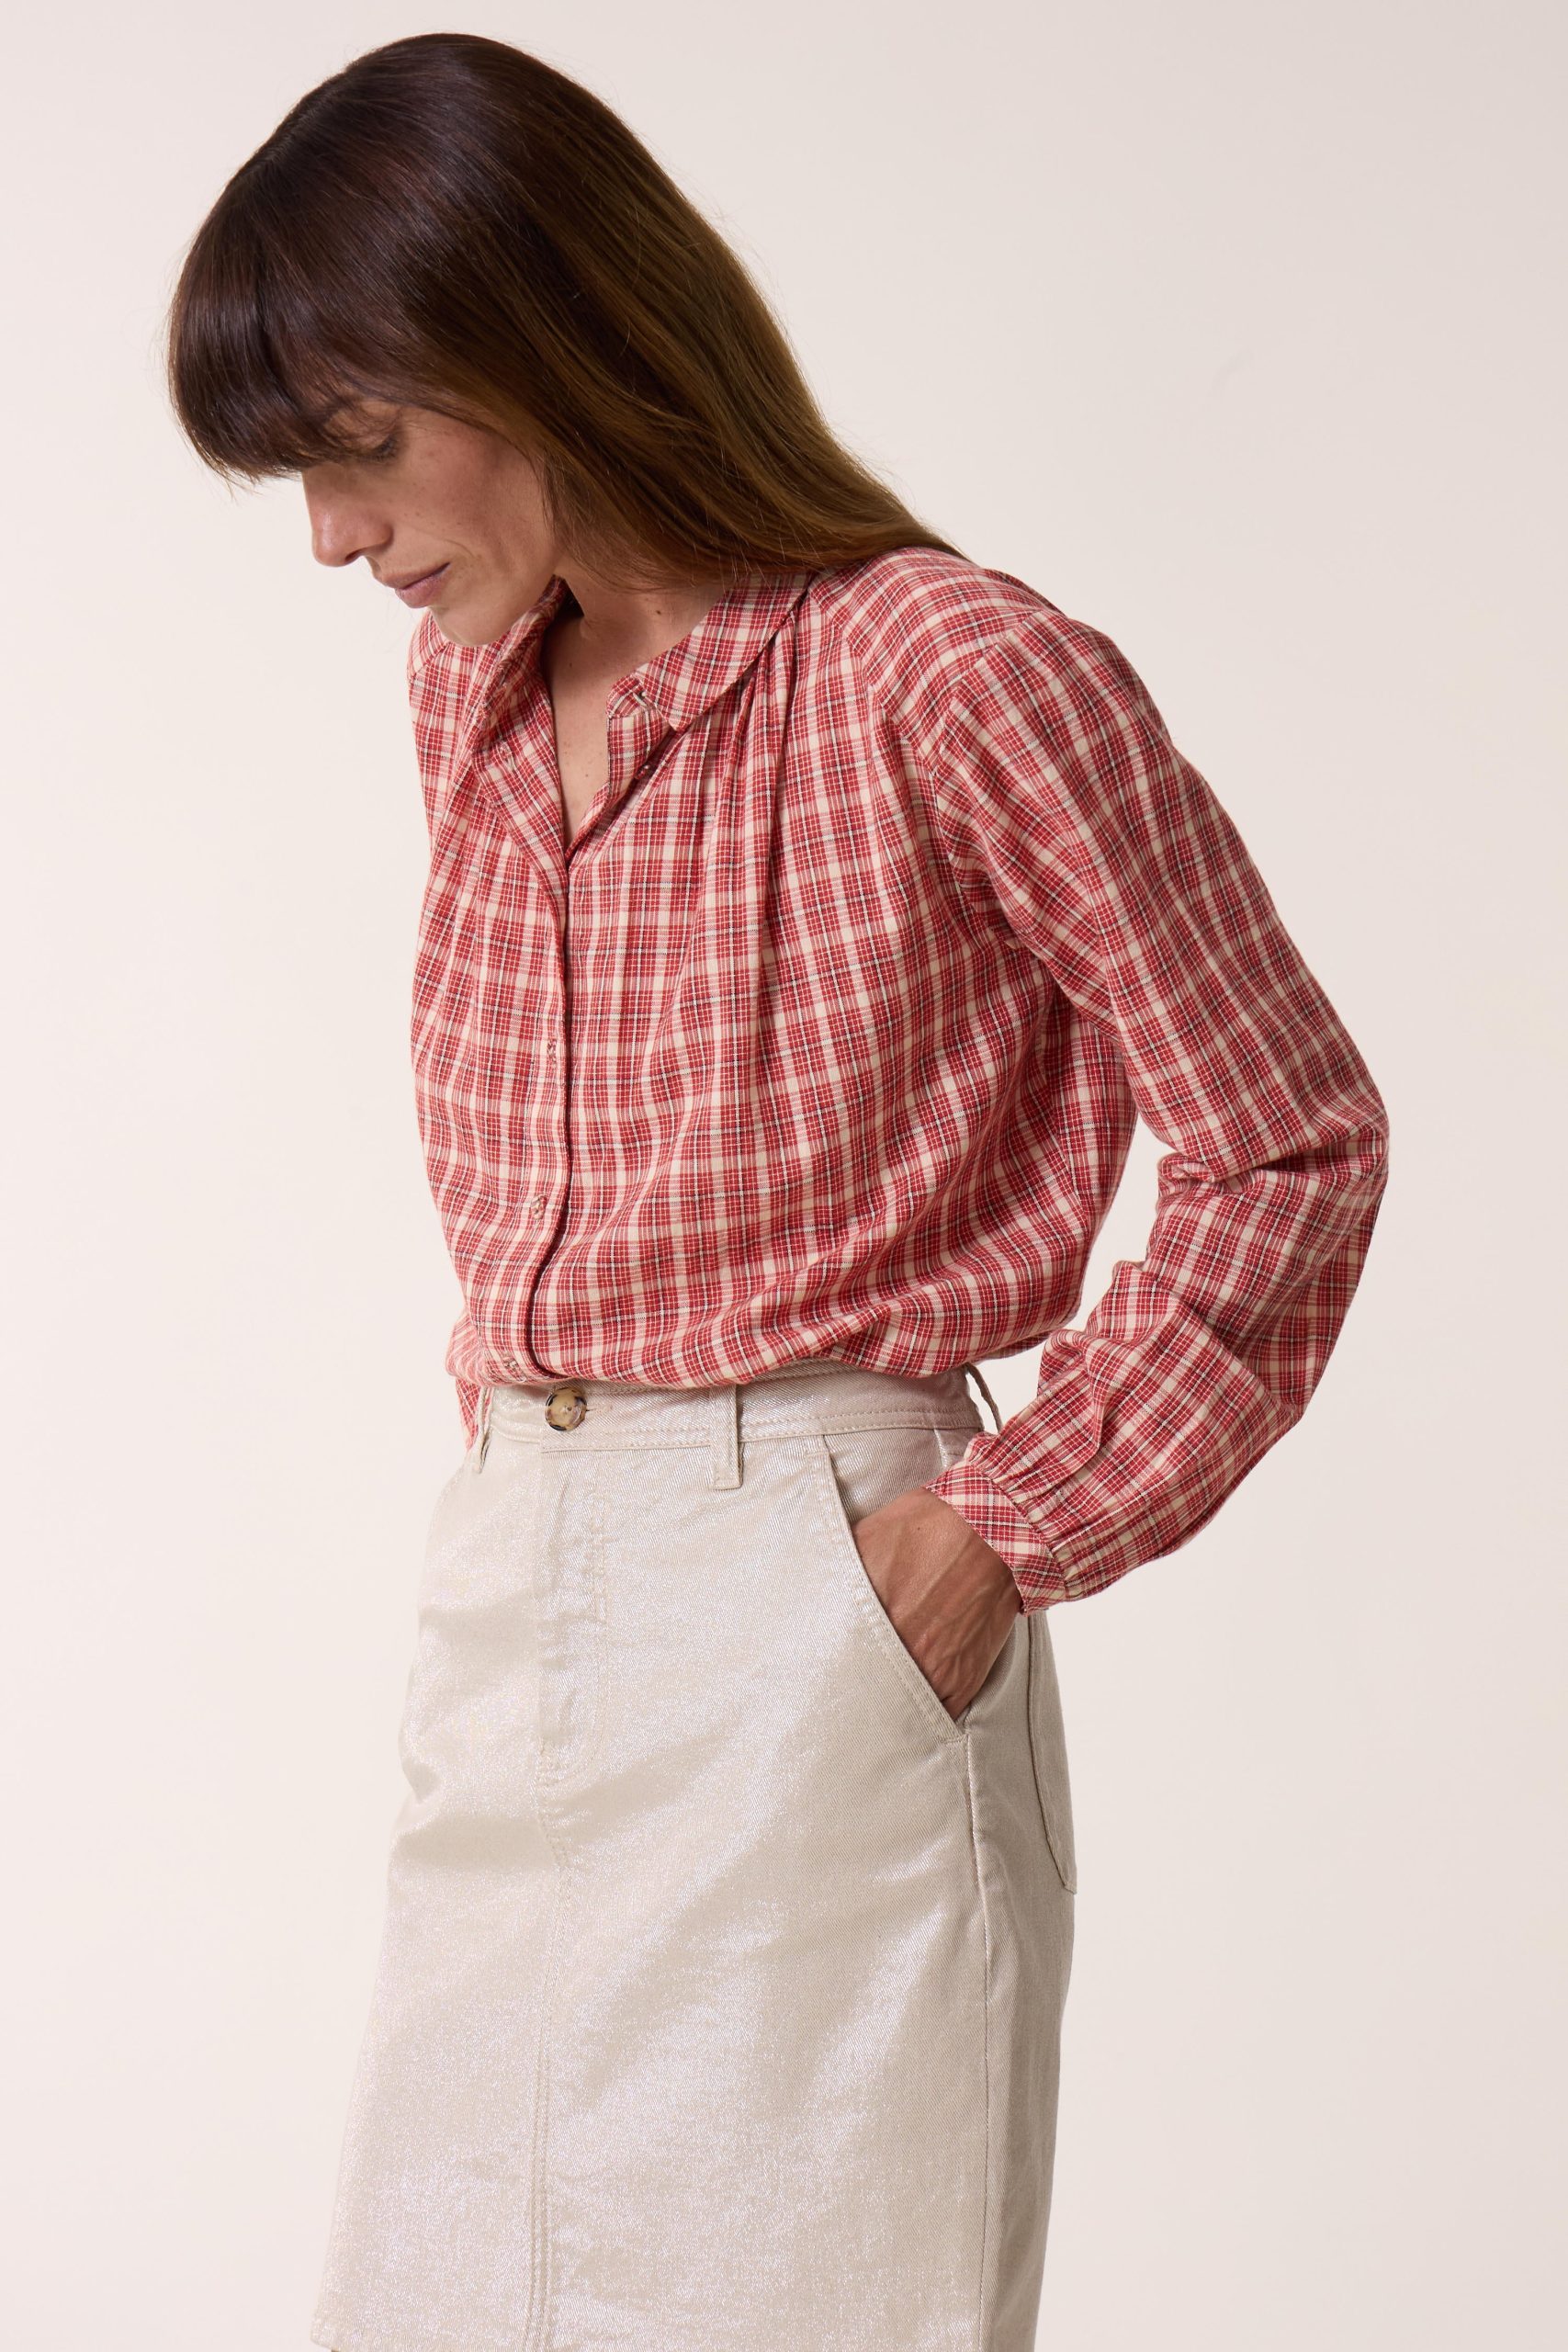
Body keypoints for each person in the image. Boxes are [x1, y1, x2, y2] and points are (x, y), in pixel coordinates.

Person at [164, 31, 1390, 2352]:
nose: (329, 536)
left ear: (539, 338)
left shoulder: (945, 668)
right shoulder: (468, 692)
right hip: (512, 1599)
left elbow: (1288, 1133)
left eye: (358, 444)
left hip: (823, 1591)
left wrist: (999, 1526)